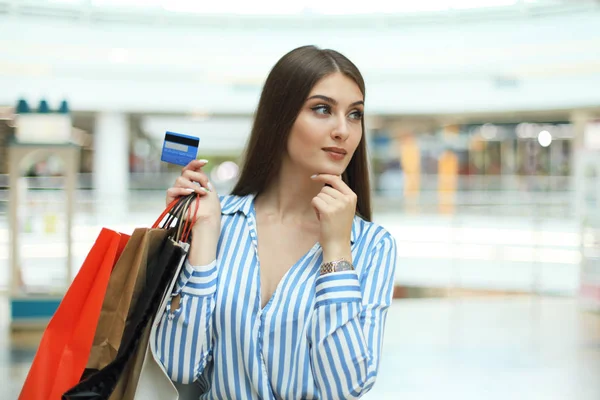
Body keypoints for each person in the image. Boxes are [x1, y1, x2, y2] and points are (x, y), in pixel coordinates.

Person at [157, 45, 398, 399]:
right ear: (279, 117)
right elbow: (177, 364)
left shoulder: (373, 245)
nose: (343, 130)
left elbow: (346, 387)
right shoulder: (220, 221)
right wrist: (205, 238)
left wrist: (336, 249)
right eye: (322, 109)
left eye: (355, 114)